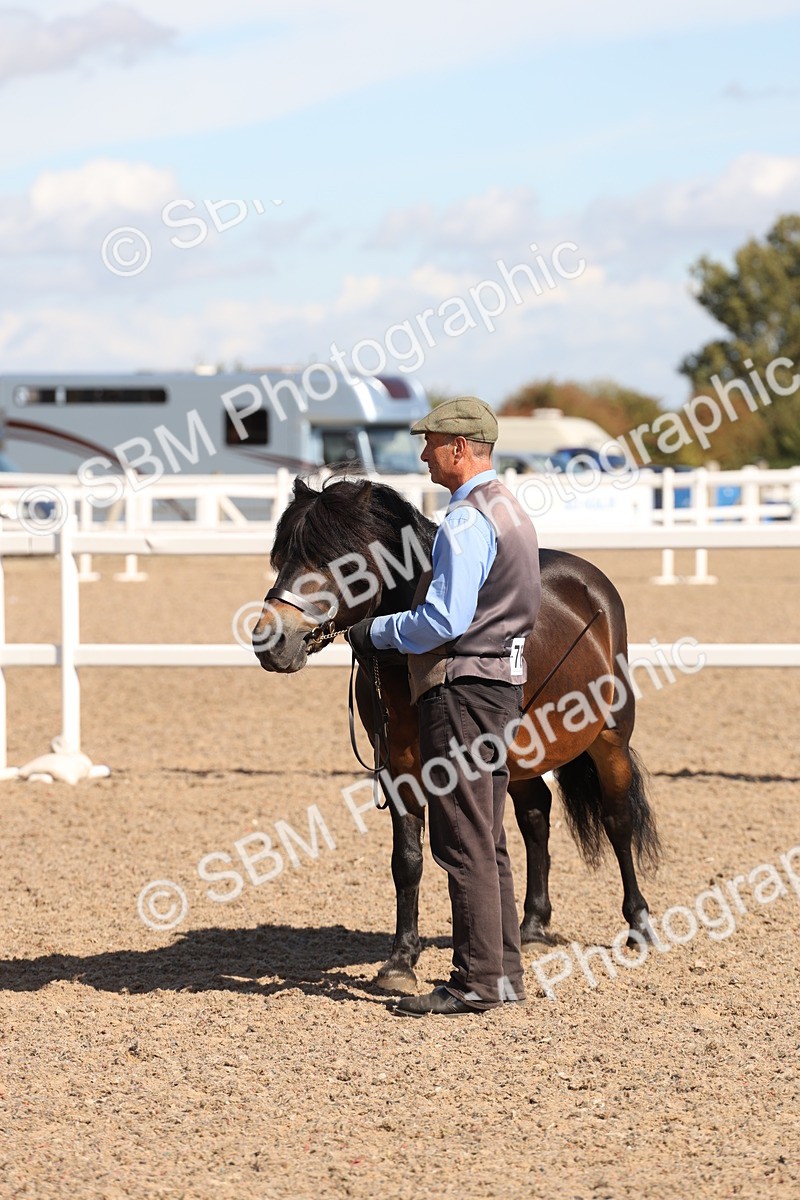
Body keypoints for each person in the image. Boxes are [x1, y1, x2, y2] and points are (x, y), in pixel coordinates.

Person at [346, 397, 542, 1017]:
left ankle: (475, 981)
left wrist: (373, 632)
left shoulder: (463, 520)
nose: (424, 454)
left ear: (459, 448)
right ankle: (502, 971)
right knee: (488, 835)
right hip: (502, 685)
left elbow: (443, 620)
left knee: (459, 837)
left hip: (461, 689)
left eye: (430, 443)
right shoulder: (510, 508)